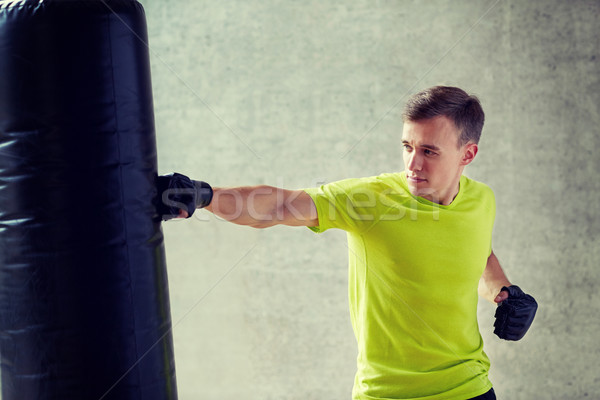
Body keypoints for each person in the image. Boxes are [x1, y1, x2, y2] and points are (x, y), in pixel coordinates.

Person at [157, 86, 538, 400]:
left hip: (470, 390)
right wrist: (204, 195)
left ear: (467, 154)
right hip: (387, 394)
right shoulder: (371, 199)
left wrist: (506, 292)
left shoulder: (482, 200)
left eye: (429, 151)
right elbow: (280, 205)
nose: (412, 164)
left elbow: (479, 254)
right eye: (407, 146)